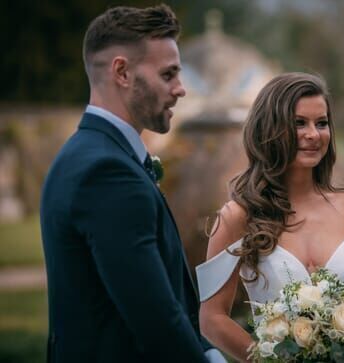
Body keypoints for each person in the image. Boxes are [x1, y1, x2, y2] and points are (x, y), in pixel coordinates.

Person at [40, 5, 224, 363]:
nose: (181, 89)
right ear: (121, 72)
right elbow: (154, 318)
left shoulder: (87, 154)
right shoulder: (107, 172)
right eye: (168, 74)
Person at [195, 72, 344, 362]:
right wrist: (269, 360)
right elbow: (211, 318)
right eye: (299, 123)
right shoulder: (237, 217)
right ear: (270, 129)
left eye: (321, 123)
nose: (313, 134)